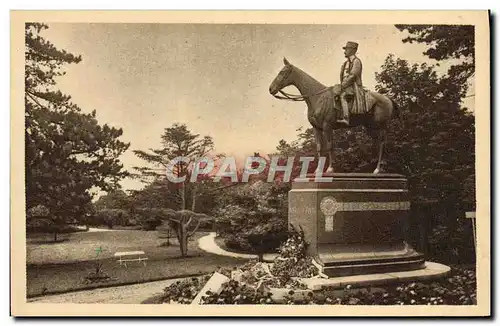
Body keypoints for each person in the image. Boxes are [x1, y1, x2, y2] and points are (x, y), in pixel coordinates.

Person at [338, 41, 365, 126]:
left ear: (353, 50)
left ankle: (346, 118)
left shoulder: (356, 61)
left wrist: (343, 85)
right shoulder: (345, 63)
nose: (345, 51)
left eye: (347, 49)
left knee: (343, 96)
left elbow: (353, 75)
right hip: (346, 84)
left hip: (354, 85)